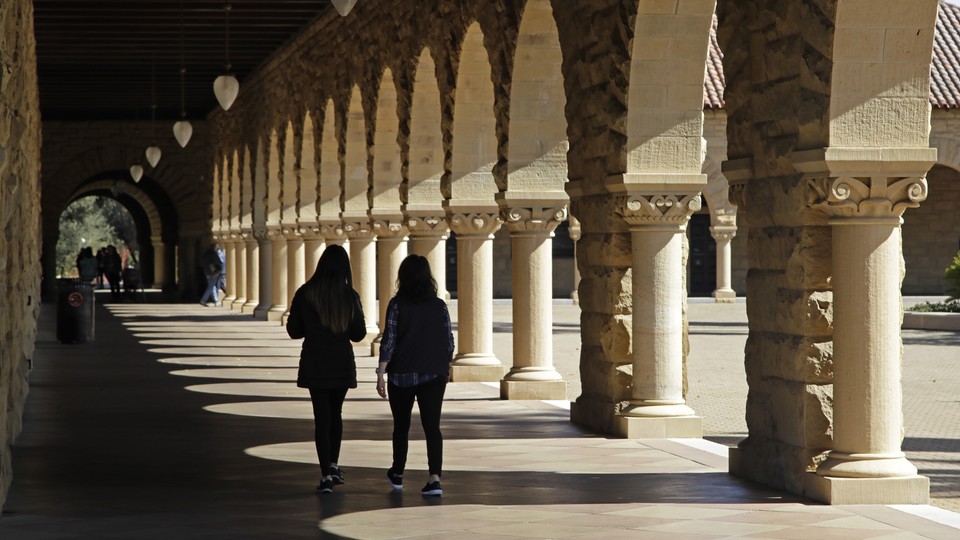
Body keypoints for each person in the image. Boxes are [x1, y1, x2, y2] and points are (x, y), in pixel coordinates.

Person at [286, 245, 366, 494]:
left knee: (322, 418)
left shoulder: (305, 293)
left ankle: (325, 475)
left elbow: (294, 331)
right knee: (336, 413)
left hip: (315, 363)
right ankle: (333, 464)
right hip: (341, 363)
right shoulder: (349, 296)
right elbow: (359, 334)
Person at [376, 254, 454, 497]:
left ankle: (398, 473)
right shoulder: (439, 305)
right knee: (433, 427)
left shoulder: (397, 304)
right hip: (433, 373)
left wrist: (381, 372)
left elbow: (389, 339)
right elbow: (449, 341)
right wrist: (445, 366)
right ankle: (434, 478)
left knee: (401, 426)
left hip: (402, 373)